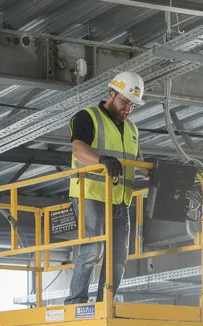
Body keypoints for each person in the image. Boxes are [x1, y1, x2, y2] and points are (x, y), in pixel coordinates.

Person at [66, 70, 144, 305]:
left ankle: (105, 303)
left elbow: (138, 161)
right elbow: (78, 149)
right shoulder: (87, 117)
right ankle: (75, 302)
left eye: (132, 106)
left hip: (120, 199)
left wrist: (162, 169)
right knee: (93, 250)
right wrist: (102, 160)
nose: (127, 109)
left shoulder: (131, 129)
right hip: (91, 194)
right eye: (124, 102)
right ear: (111, 94)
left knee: (119, 256)